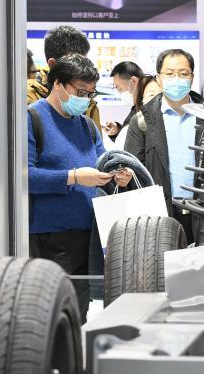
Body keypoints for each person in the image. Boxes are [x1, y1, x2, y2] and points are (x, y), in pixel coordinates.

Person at [27, 54, 133, 319]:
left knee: (79, 315)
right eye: (80, 91)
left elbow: (103, 165)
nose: (85, 99)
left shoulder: (86, 125)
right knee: (52, 315)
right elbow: (25, 177)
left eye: (90, 93)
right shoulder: (32, 118)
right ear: (58, 84)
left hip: (90, 236)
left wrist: (119, 175)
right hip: (50, 238)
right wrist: (73, 177)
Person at [125, 48, 204, 244]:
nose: (176, 79)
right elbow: (133, 173)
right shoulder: (142, 121)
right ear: (159, 79)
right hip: (160, 217)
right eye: (169, 74)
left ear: (192, 77)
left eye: (183, 73)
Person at [28, 26, 102, 132]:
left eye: (84, 63)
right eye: (75, 67)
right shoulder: (26, 98)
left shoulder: (89, 105)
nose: (84, 71)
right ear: (53, 65)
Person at [106, 61, 144, 140]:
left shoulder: (149, 109)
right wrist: (117, 131)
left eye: (119, 87)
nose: (119, 92)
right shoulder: (137, 107)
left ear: (134, 81)